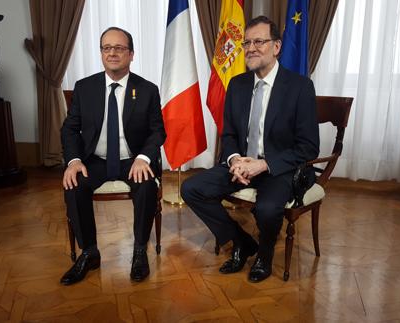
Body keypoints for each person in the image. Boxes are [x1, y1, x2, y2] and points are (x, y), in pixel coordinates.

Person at [181, 16, 319, 282]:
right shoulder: (238, 85)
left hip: (279, 168)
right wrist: (234, 160)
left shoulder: (300, 87)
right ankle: (242, 242)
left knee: (267, 209)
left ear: (276, 46)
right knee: (191, 189)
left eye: (259, 41)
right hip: (242, 164)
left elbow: (308, 147)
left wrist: (264, 164)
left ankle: (264, 256)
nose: (251, 48)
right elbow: (229, 133)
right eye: (247, 43)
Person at [60, 27, 166, 285]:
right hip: (95, 159)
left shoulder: (147, 89)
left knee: (145, 187)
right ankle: (89, 252)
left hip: (133, 159)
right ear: (101, 53)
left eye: (119, 48)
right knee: (74, 186)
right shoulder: (84, 88)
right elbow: (70, 129)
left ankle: (140, 251)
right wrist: (74, 161)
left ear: (131, 54)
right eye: (107, 48)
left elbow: (158, 131)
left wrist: (144, 157)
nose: (113, 53)